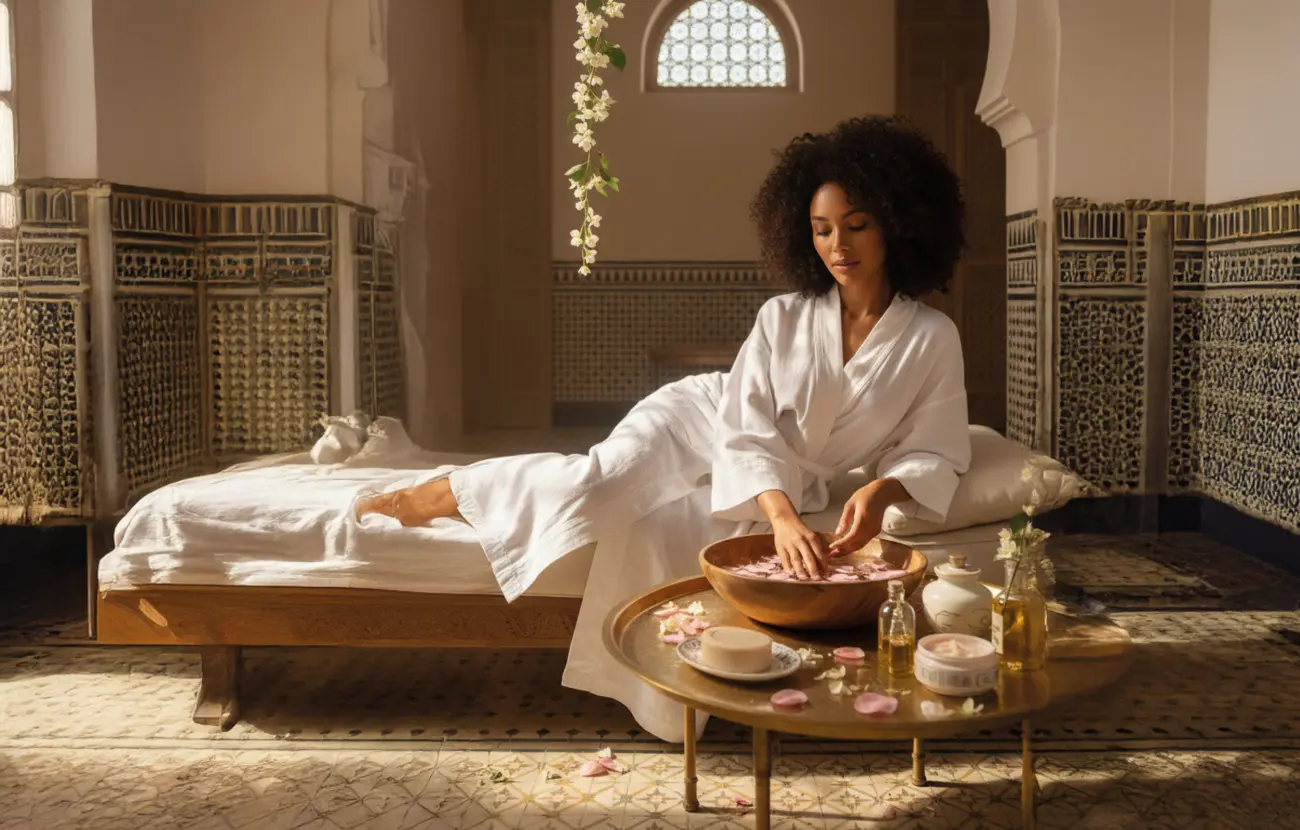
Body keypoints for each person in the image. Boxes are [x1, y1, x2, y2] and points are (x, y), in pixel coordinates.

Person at [355, 114, 972, 742]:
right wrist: (781, 516)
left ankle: (664, 701)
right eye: (821, 230)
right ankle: (456, 491)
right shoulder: (784, 316)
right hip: (701, 418)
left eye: (856, 225)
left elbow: (937, 446)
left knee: (668, 522)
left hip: (794, 475)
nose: (837, 245)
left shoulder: (930, 339)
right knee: (597, 484)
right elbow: (746, 423)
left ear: (897, 221)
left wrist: (880, 490)